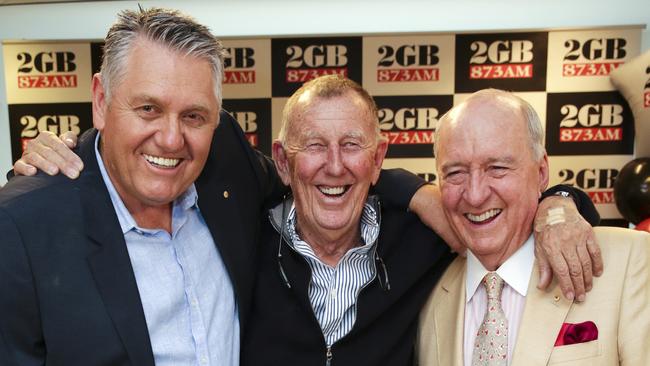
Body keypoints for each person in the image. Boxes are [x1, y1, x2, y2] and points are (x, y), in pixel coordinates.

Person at [237, 76, 601, 365]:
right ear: (283, 162)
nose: (334, 166)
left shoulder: (422, 237)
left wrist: (560, 204)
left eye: (351, 145)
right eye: (315, 145)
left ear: (378, 158)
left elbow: (509, 203)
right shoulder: (241, 247)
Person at [0, 8, 285, 366]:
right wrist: (28, 188)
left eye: (193, 116)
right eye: (149, 108)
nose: (170, 139)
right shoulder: (20, 230)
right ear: (101, 101)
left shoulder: (227, 153)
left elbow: (315, 184)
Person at [417, 89, 650, 365]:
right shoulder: (427, 291)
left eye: (497, 168)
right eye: (455, 173)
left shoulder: (627, 262)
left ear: (541, 173)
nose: (476, 195)